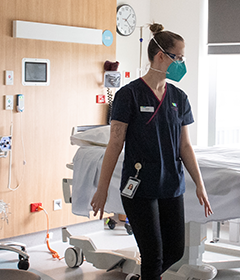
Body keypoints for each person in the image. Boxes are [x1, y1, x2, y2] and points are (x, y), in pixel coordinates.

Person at [91, 23, 212, 280]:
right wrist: (102, 189)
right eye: (178, 57)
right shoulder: (129, 95)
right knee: (153, 255)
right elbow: (115, 143)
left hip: (171, 184)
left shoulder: (179, 97)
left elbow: (185, 146)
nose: (181, 62)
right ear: (161, 56)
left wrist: (199, 184)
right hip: (139, 187)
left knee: (175, 250)